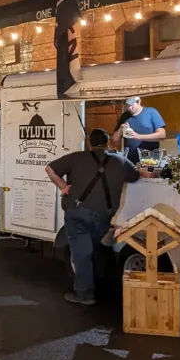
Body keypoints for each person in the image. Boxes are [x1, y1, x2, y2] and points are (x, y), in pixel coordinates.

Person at [46, 128, 140, 306]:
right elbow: (135, 176)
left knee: (82, 253)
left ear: (89, 142)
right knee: (92, 249)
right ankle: (93, 285)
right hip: (103, 215)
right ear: (108, 143)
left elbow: (49, 168)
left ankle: (85, 294)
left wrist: (63, 186)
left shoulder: (76, 157)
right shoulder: (120, 160)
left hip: (77, 213)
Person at [112, 96, 166, 164]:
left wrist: (138, 136)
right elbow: (115, 138)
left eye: (131, 105)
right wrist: (121, 128)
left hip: (149, 159)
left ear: (139, 101)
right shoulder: (125, 116)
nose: (129, 108)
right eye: (127, 106)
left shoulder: (151, 112)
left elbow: (162, 135)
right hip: (130, 161)